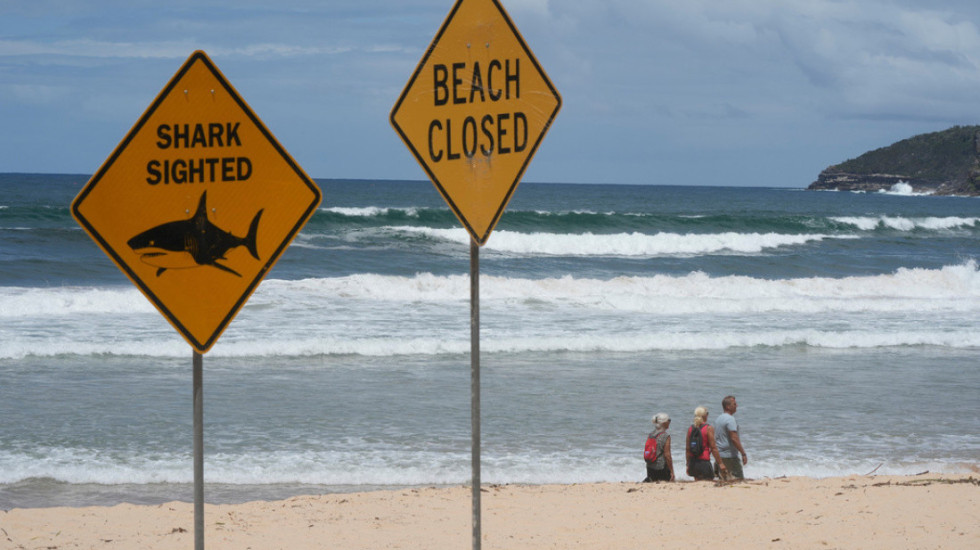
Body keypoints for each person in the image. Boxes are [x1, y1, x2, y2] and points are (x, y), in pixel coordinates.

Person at [686, 406, 725, 480]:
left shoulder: (690, 429)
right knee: (707, 485)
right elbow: (713, 448)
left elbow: (688, 449)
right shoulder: (708, 428)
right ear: (705, 415)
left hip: (693, 462)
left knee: (697, 485)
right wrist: (720, 463)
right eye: (707, 413)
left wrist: (688, 464)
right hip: (704, 462)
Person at [713, 395, 747, 480]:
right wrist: (743, 453)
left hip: (720, 456)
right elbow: (734, 438)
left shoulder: (718, 419)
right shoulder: (730, 419)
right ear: (728, 406)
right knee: (738, 479)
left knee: (724, 480)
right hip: (729, 456)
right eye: (734, 404)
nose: (737, 406)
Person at [643, 412, 674, 482]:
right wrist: (672, 472)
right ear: (664, 423)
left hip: (650, 468)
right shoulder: (665, 436)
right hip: (661, 469)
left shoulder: (651, 435)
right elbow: (667, 455)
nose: (669, 422)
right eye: (669, 420)